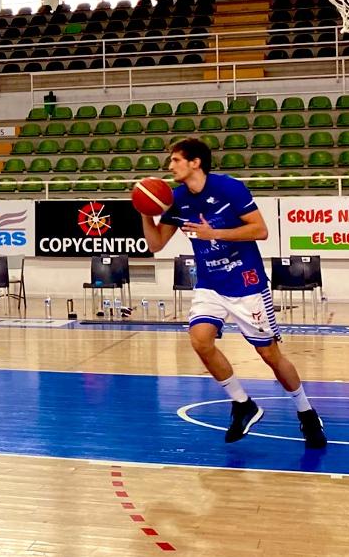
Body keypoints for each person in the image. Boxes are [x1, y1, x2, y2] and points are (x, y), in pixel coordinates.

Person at [140, 138, 326, 449]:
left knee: (270, 356)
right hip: (210, 283)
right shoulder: (177, 199)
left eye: (175, 160)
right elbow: (156, 244)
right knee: (199, 340)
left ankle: (306, 413)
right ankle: (243, 404)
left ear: (195, 162)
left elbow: (260, 230)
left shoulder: (229, 188)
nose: (169, 166)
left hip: (246, 282)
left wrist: (215, 233)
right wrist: (145, 212)